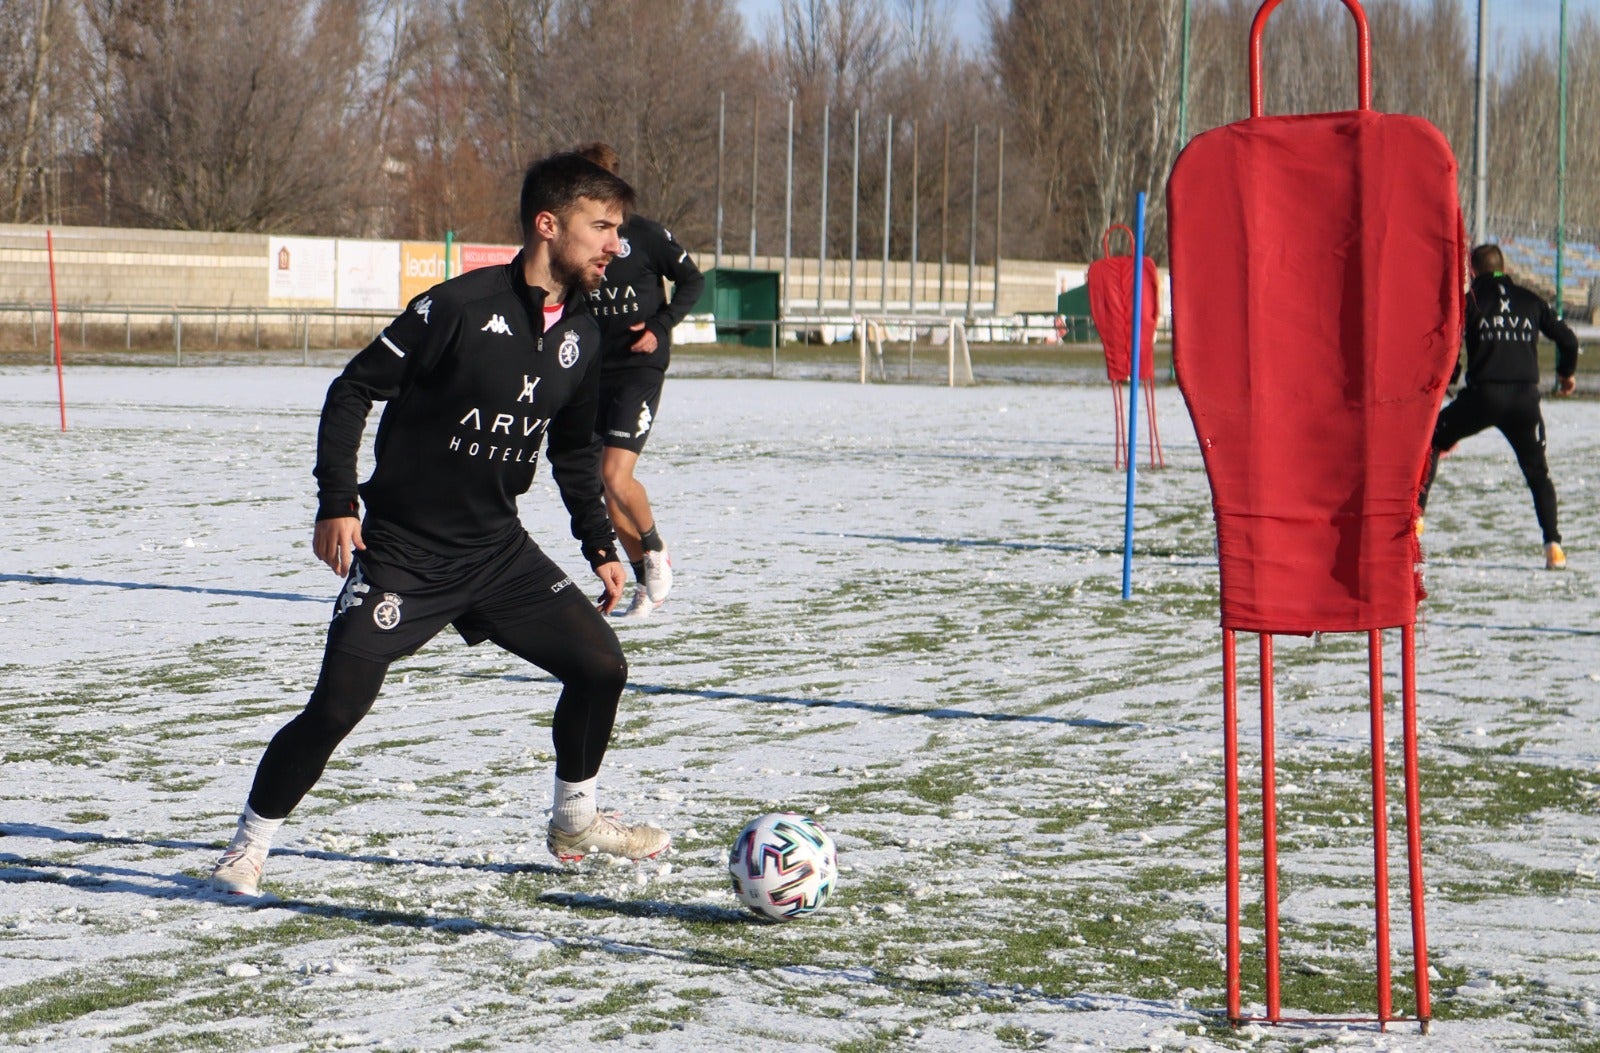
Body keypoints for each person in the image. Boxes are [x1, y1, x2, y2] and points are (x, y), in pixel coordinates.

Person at [210, 153, 670, 898]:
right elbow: (352, 388)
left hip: (496, 552)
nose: (616, 243)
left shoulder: (585, 332)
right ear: (547, 225)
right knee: (336, 706)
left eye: (619, 229)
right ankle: (248, 845)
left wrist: (598, 544)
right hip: (403, 553)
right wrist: (337, 501)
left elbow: (576, 452)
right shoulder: (457, 306)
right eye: (603, 227)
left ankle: (575, 819)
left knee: (600, 666)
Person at [573, 141, 705, 619]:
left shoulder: (647, 237)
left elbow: (694, 281)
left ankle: (656, 550)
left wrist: (659, 327)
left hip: (638, 369)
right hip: (591, 372)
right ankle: (645, 581)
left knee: (615, 475)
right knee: (596, 487)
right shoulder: (576, 244)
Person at [1418, 243, 1579, 570]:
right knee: (1538, 473)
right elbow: (1569, 340)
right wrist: (1565, 375)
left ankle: (1416, 520)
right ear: (1504, 268)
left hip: (1482, 397)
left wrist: (1452, 378)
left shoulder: (1469, 302)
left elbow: (1449, 346)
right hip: (1524, 400)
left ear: (1472, 271)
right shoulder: (1531, 300)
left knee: (1431, 441)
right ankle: (1554, 547)